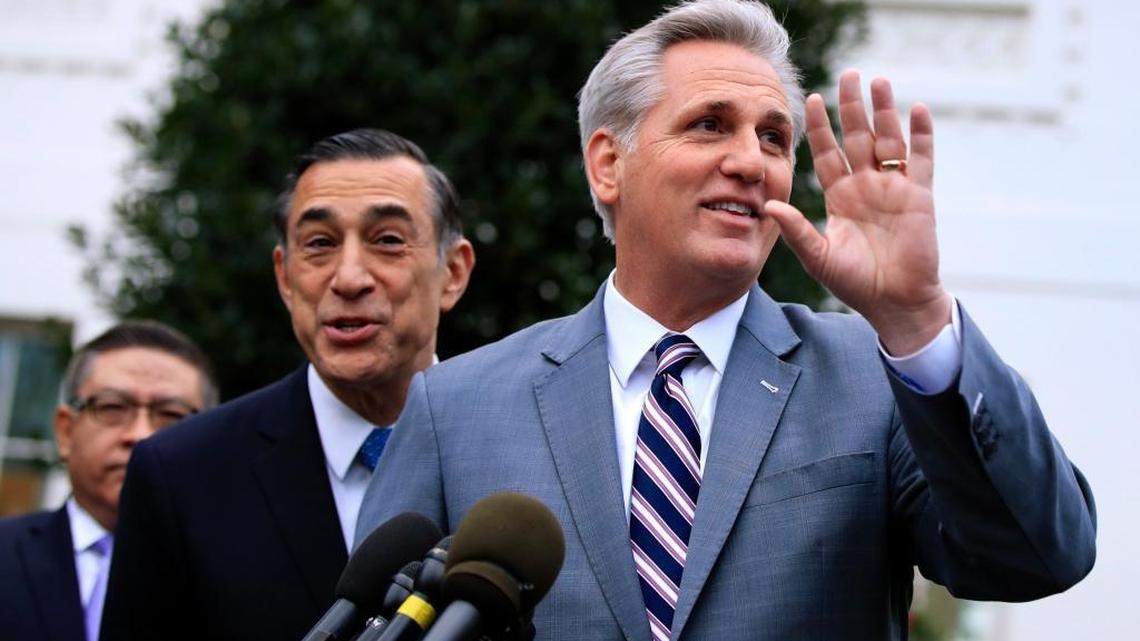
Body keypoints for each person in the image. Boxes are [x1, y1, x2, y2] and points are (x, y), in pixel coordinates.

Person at [355, 2, 1096, 640]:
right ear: (608, 164)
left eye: (774, 138)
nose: (752, 161)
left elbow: (1037, 555)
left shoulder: (875, 373)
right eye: (711, 125)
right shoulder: (455, 410)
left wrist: (918, 318)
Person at [100, 129, 475, 641]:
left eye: (387, 240)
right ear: (284, 276)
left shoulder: (529, 452)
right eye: (319, 244)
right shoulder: (181, 474)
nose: (348, 278)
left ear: (453, 272)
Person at [0, 320, 215, 641]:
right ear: (65, 431)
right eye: (113, 407)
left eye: (171, 414)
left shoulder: (242, 575)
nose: (140, 436)